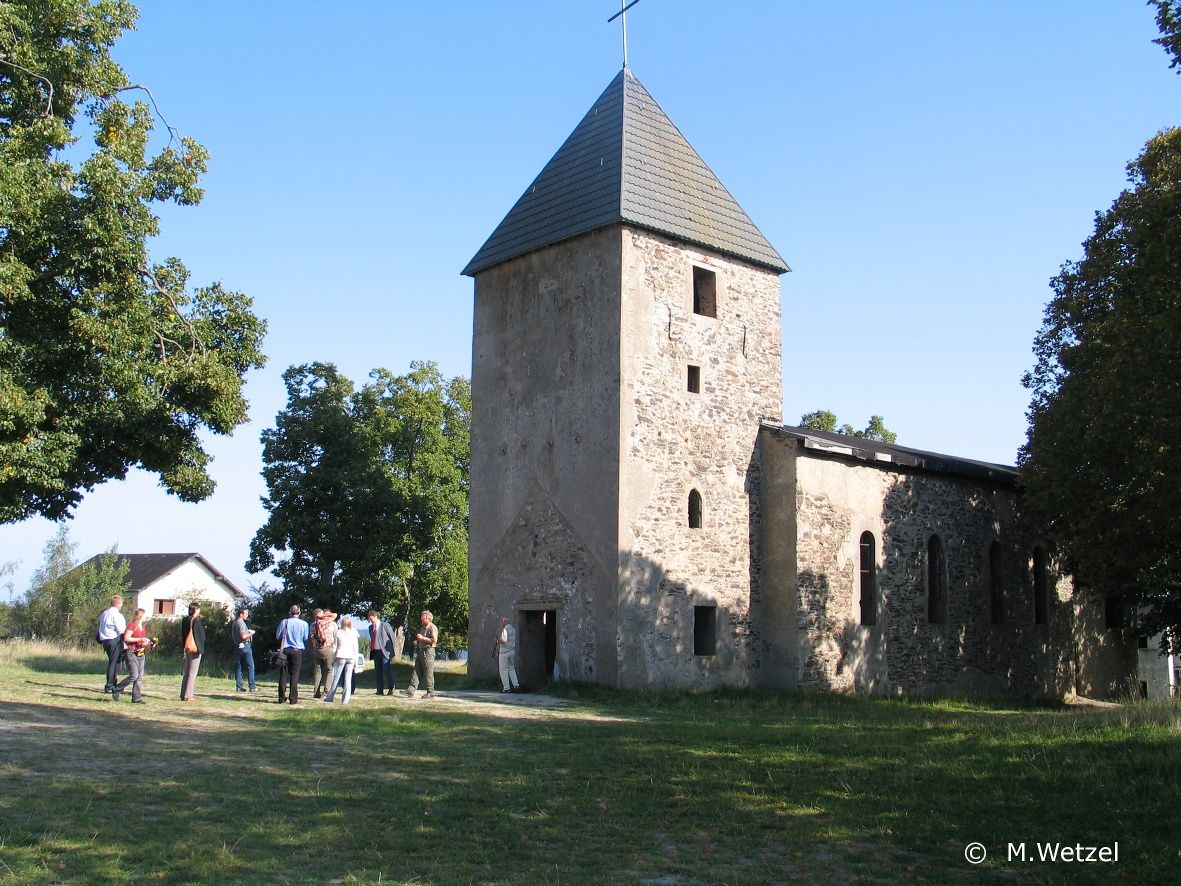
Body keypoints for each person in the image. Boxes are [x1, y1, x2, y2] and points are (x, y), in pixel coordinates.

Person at [113, 608, 152, 703]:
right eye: (144, 615)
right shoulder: (132, 625)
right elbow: (127, 638)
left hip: (140, 652)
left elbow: (141, 641)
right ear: (140, 616)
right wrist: (140, 639)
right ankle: (117, 688)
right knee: (134, 675)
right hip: (131, 652)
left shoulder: (142, 627)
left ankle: (136, 698)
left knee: (139, 677)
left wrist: (147, 643)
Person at [275, 605, 309, 705]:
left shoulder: (284, 622)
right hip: (297, 650)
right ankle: (293, 698)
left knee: (283, 674)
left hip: (285, 650)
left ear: (290, 613)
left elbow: (278, 636)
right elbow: (305, 638)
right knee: (294, 675)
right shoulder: (304, 624)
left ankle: (281, 698)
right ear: (299, 613)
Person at [322, 615, 360, 704]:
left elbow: (335, 647)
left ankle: (330, 697)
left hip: (340, 656)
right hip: (351, 657)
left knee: (336, 677)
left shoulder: (338, 632)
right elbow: (356, 647)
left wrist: (333, 657)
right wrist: (356, 659)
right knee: (348, 679)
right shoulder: (353, 633)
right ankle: (346, 699)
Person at [401, 610, 438, 699]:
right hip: (421, 651)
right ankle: (410, 690)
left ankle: (430, 692)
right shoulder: (422, 628)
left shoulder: (433, 627)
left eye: (423, 617)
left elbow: (433, 641)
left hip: (428, 651)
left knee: (428, 672)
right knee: (416, 671)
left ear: (428, 618)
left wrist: (422, 638)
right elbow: (421, 640)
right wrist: (417, 642)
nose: (421, 619)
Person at [97, 594, 127, 695]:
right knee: (113, 663)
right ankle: (110, 685)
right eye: (121, 604)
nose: (121, 606)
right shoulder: (116, 615)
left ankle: (112, 683)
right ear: (117, 603)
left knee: (112, 662)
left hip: (105, 640)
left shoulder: (104, 613)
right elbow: (120, 630)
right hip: (114, 640)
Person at [366, 611, 397, 695]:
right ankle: (379, 690)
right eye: (369, 619)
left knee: (387, 669)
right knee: (378, 671)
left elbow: (392, 638)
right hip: (375, 651)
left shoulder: (385, 625)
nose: (370, 620)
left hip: (385, 651)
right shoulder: (370, 627)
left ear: (375, 616)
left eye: (371, 618)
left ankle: (391, 688)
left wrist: (391, 650)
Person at [310, 607, 338, 698]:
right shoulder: (325, 623)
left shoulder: (313, 625)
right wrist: (325, 615)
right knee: (329, 670)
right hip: (327, 647)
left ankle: (316, 692)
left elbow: (311, 638)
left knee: (318, 671)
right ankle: (326, 692)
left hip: (317, 649)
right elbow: (335, 615)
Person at [179, 602, 205, 701]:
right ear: (195, 610)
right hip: (195, 648)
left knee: (187, 671)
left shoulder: (185, 619)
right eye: (198, 609)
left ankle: (183, 693)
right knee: (192, 672)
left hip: (187, 647)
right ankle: (188, 695)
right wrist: (200, 648)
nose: (199, 611)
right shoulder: (196, 621)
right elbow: (200, 636)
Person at [232, 607, 257, 692]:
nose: (247, 615)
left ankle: (239, 687)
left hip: (237, 646)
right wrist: (251, 633)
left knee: (239, 667)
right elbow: (243, 636)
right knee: (250, 666)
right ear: (241, 614)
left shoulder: (235, 622)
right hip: (245, 646)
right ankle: (252, 686)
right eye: (246, 614)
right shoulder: (241, 623)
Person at [496, 616, 520, 693]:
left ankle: (506, 688)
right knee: (511, 669)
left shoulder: (505, 629)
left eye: (502, 622)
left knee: (503, 670)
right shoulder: (513, 629)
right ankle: (516, 685)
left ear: (505, 622)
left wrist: (497, 641)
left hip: (504, 653)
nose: (501, 623)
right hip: (512, 651)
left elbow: (504, 641)